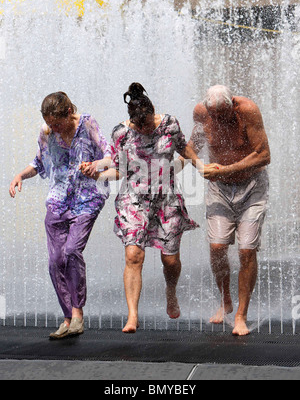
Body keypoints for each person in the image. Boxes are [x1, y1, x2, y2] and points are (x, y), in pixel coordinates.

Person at [94, 83, 202, 333]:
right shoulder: (121, 134)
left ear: (154, 114)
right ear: (132, 121)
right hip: (134, 200)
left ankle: (171, 291)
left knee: (171, 260)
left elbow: (184, 148)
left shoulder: (169, 125)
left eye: (149, 124)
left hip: (166, 199)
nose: (146, 129)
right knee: (133, 256)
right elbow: (119, 169)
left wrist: (202, 168)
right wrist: (97, 176)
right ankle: (132, 315)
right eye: (141, 126)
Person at [9, 92, 111, 340]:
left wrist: (96, 165)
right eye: (49, 124)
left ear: (68, 113)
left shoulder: (87, 124)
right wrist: (20, 175)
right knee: (55, 260)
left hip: (87, 198)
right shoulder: (46, 132)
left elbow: (110, 156)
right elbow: (39, 162)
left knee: (72, 251)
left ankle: (77, 314)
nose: (53, 128)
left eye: (56, 123)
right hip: (58, 201)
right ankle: (68, 318)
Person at [183, 85, 271, 336]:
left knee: (246, 250)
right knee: (217, 247)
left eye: (224, 114)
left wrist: (225, 169)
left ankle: (241, 315)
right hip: (220, 189)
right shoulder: (202, 113)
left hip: (252, 187)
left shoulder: (248, 111)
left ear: (232, 103)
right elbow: (192, 146)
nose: (219, 120)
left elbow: (264, 155)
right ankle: (225, 300)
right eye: (215, 116)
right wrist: (200, 166)